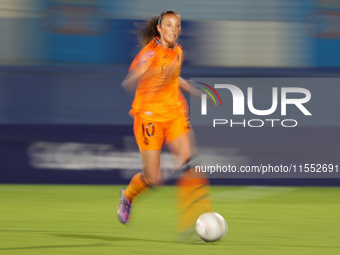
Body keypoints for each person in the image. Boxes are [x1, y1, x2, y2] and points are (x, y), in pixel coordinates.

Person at [117, 10, 211, 240]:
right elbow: (129, 81)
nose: (173, 29)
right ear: (159, 28)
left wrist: (194, 90)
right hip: (149, 117)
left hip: (175, 114)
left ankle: (193, 222)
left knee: (191, 163)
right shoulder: (149, 53)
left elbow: (173, 77)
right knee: (152, 178)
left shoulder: (177, 51)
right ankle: (128, 196)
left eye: (177, 25)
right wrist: (145, 71)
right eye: (168, 25)